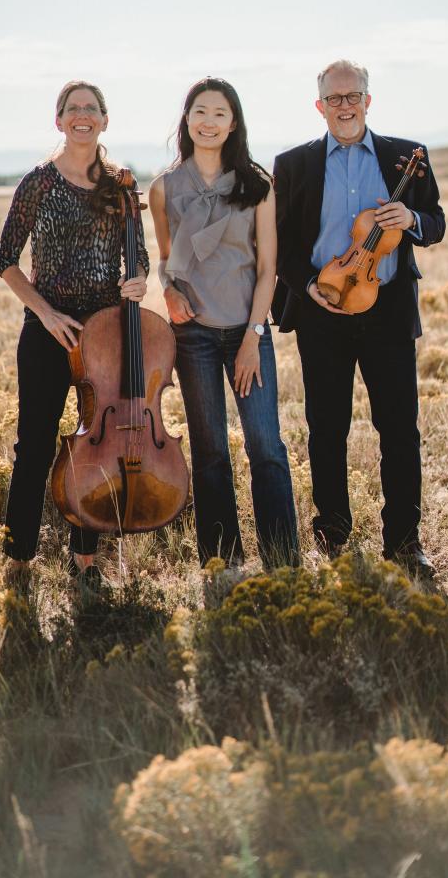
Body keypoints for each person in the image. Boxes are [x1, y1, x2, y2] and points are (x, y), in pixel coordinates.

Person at [272, 60, 445, 578]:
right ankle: (332, 532)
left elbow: (436, 222)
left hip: (388, 311)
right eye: (335, 98)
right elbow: (279, 243)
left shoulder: (404, 157)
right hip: (322, 310)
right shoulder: (294, 164)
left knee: (400, 429)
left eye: (353, 96)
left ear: (368, 100)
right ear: (319, 105)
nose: (344, 106)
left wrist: (411, 219)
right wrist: (306, 286)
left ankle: (405, 543)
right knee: (326, 428)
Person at [0, 82, 148, 585]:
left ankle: (85, 559)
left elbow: (140, 260)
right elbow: (6, 260)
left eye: (91, 108)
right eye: (73, 108)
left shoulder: (120, 185)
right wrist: (46, 314)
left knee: (95, 447)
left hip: (103, 336)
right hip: (47, 331)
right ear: (58, 120)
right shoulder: (37, 183)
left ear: (104, 120)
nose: (83, 115)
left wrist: (138, 280)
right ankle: (19, 557)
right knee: (34, 447)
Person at [149, 78, 299, 569]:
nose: (208, 122)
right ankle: (223, 562)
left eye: (219, 113)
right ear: (186, 119)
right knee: (210, 450)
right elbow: (166, 261)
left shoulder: (257, 185)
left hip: (246, 331)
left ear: (233, 123)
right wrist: (169, 291)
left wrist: (254, 336)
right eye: (200, 111)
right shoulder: (164, 188)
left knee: (266, 447)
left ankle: (283, 562)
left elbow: (268, 269)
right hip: (192, 336)